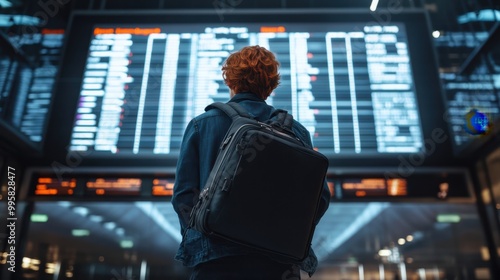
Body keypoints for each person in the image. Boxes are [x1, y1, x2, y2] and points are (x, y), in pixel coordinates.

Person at [172, 45, 331, 280]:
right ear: (270, 86)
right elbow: (320, 198)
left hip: (216, 263)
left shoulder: (202, 124)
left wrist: (201, 239)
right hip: (277, 265)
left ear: (230, 80)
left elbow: (184, 195)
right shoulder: (297, 132)